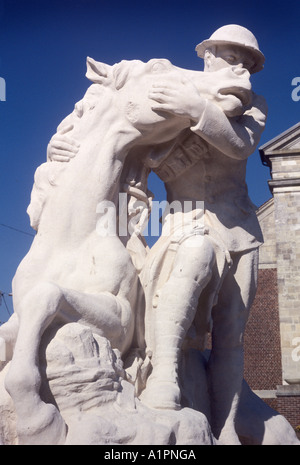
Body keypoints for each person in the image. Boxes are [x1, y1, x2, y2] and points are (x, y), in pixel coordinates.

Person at [47, 25, 267, 445]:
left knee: (230, 337)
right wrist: (61, 147)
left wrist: (198, 110)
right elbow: (115, 140)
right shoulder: (172, 105)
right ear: (208, 57)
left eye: (247, 60)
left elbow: (238, 146)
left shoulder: (252, 106)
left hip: (240, 228)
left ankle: (226, 429)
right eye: (230, 55)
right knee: (194, 256)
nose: (239, 66)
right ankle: (163, 376)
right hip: (184, 220)